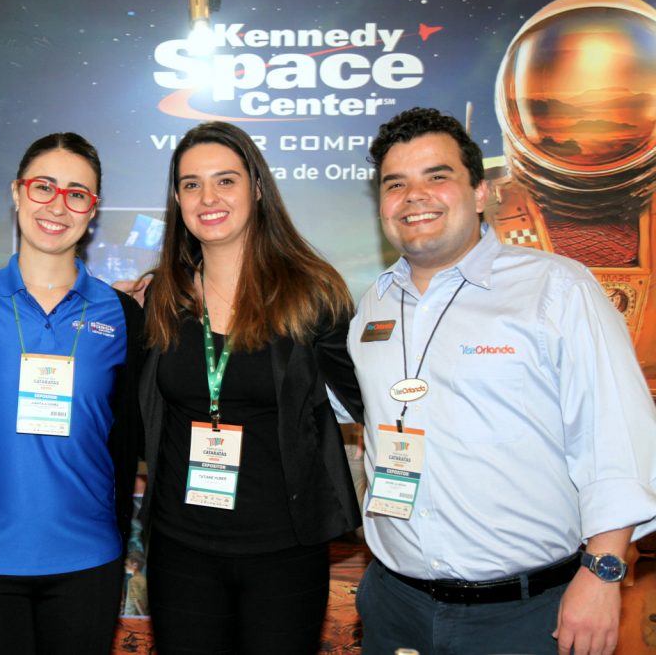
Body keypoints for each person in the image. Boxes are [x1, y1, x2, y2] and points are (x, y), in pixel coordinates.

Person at [350, 107, 656, 655]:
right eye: (396, 184)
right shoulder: (374, 305)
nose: (414, 196)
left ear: (480, 193)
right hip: (396, 606)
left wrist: (603, 572)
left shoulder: (556, 289)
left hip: (528, 613)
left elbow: (619, 439)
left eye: (437, 176)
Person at [139, 120, 363, 654]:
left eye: (226, 181)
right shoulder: (163, 298)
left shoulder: (313, 293)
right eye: (191, 184)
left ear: (257, 188)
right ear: (177, 197)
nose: (207, 197)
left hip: (284, 550)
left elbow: (369, 400)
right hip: (180, 548)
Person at [0, 132, 143, 655]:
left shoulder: (122, 316)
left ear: (92, 211)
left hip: (87, 559)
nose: (57, 205)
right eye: (43, 186)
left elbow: (128, 435)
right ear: (16, 192)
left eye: (77, 193)